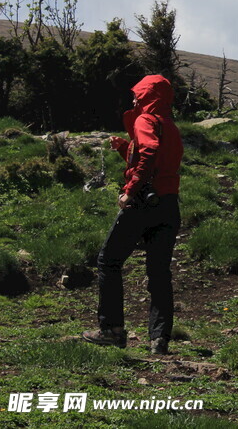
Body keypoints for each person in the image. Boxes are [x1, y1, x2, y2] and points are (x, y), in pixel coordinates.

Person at [83, 75, 184, 354]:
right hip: (169, 204)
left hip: (143, 203)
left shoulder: (145, 120)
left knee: (108, 260)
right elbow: (158, 158)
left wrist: (129, 189)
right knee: (159, 273)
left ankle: (112, 330)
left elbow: (149, 152)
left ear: (146, 96)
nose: (134, 99)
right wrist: (126, 150)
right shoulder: (171, 126)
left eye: (137, 94)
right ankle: (159, 339)